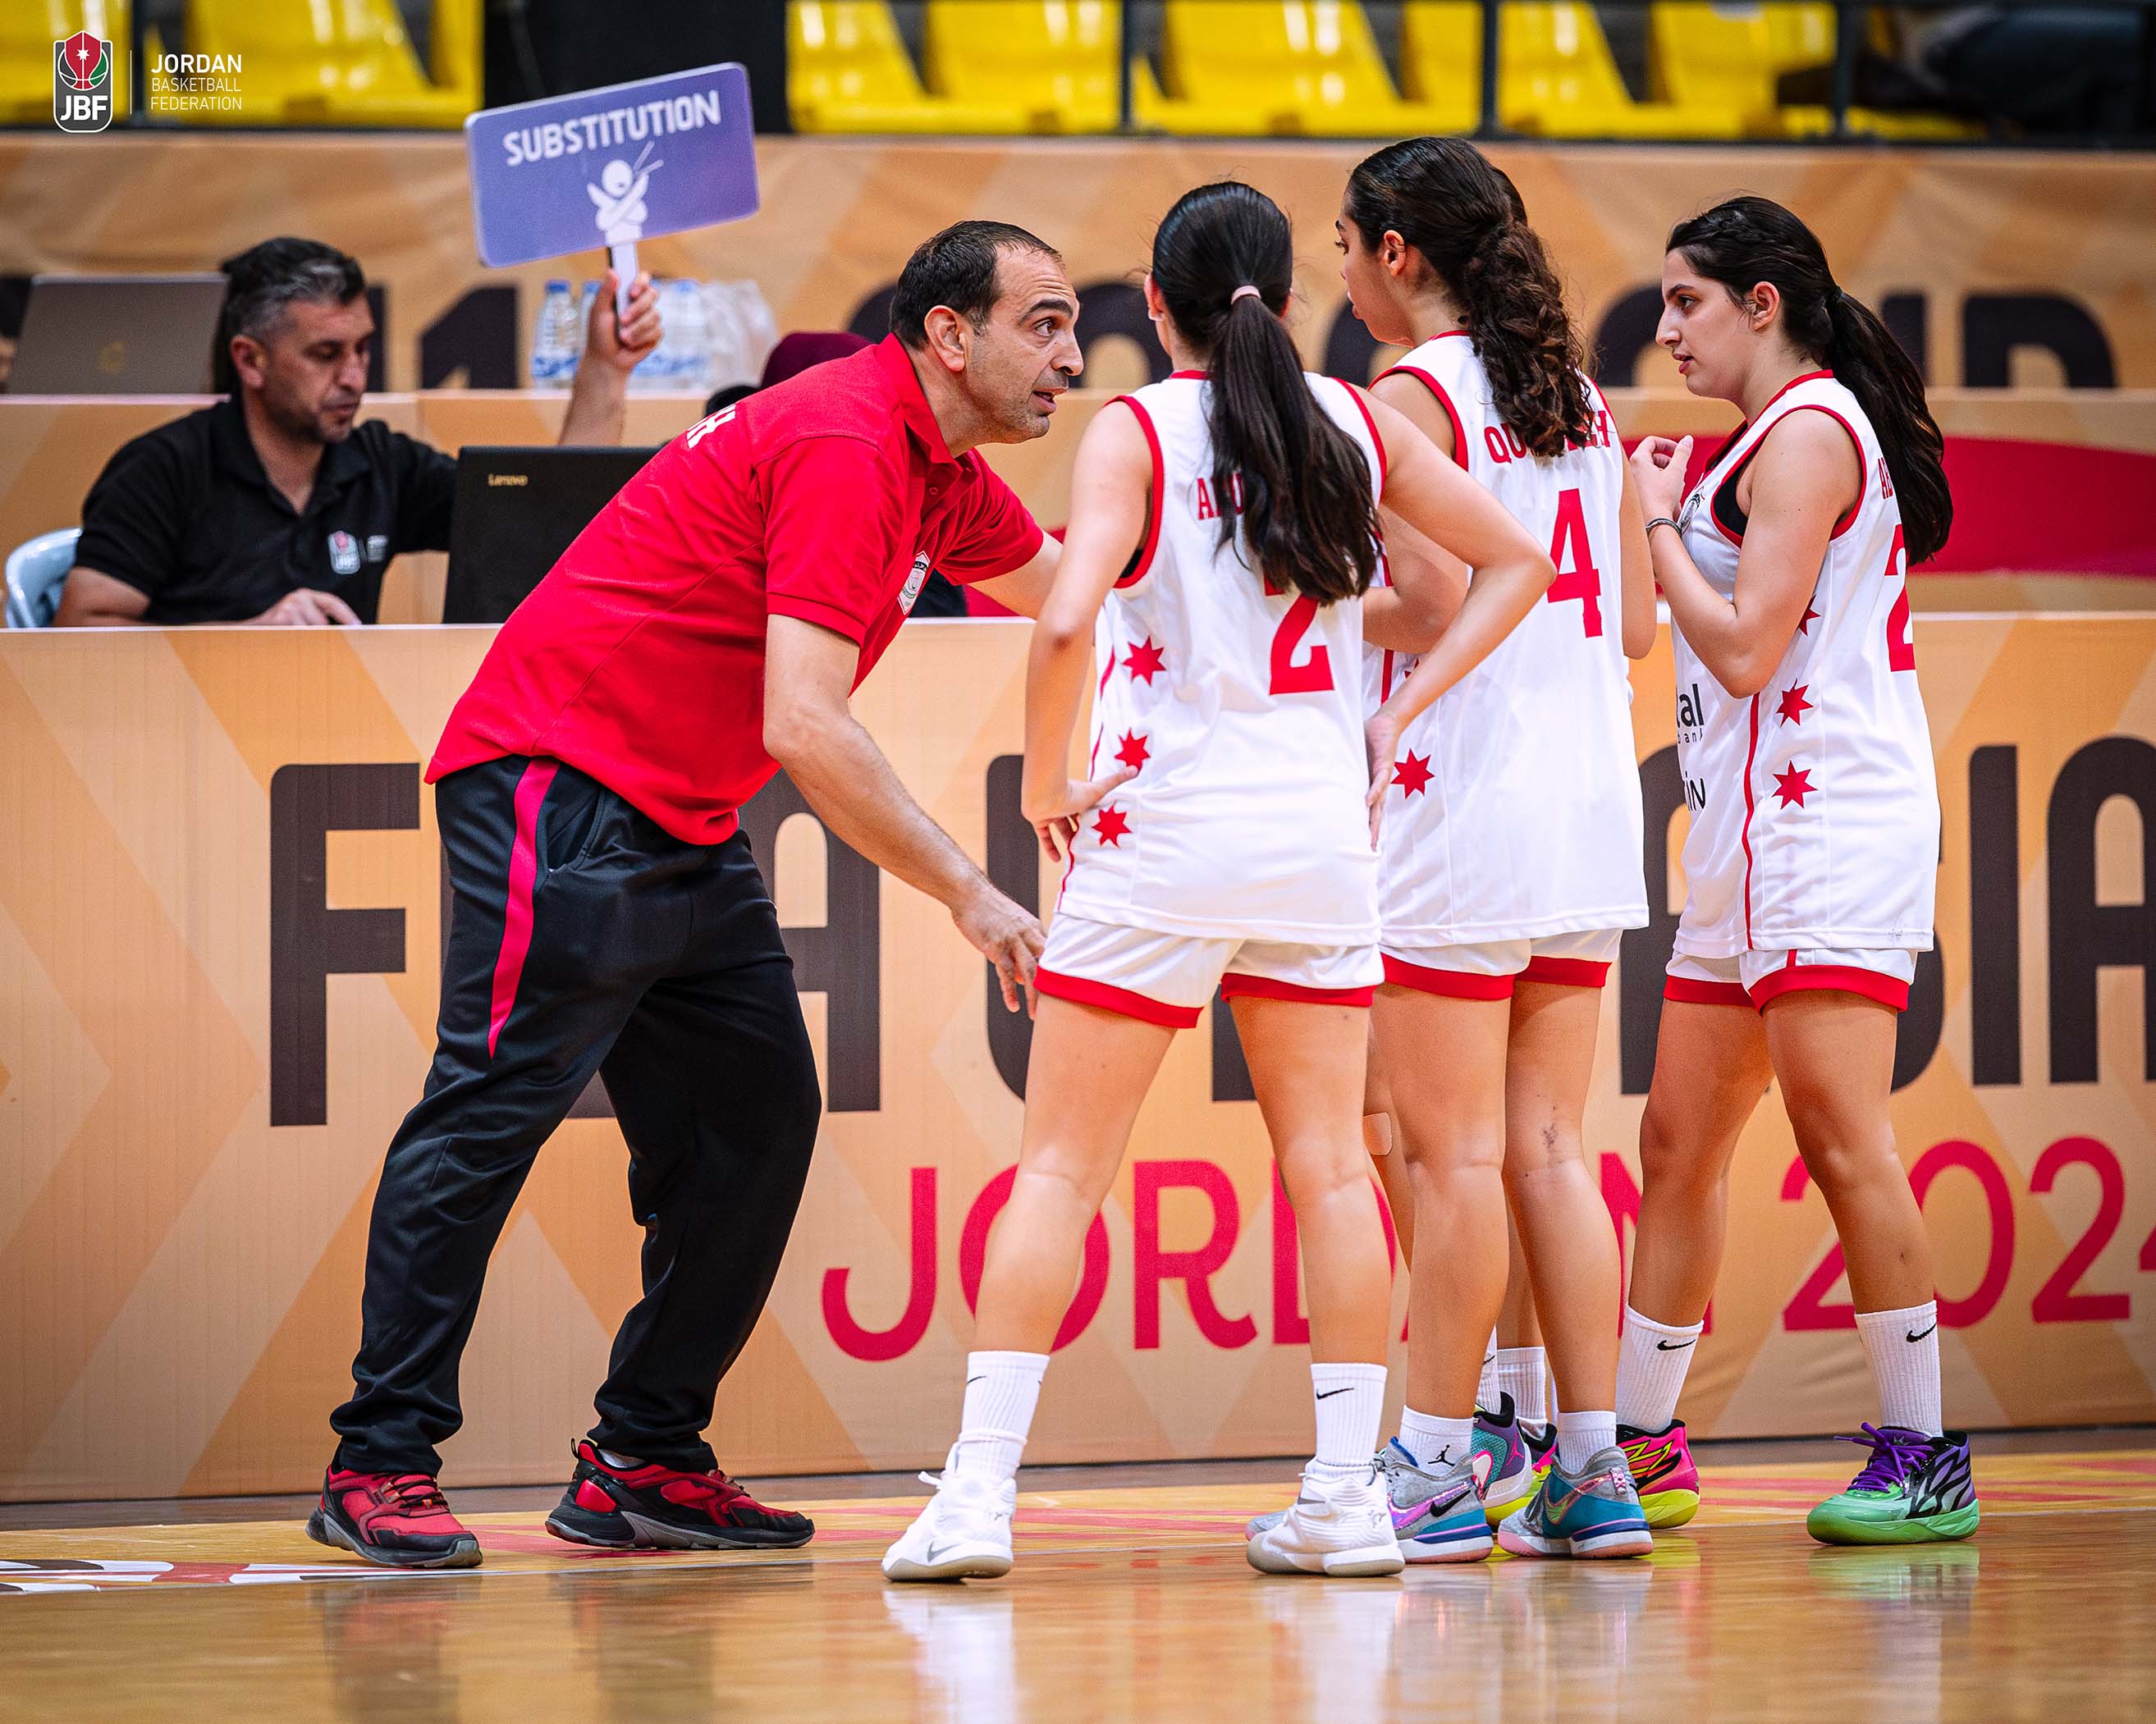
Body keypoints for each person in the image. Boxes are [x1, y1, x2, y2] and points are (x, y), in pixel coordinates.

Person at [310, 220, 1083, 1570]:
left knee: (755, 1117)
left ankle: (642, 1458)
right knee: (486, 1115)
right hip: (559, 779)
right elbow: (805, 722)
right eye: (1047, 324)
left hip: (681, 815)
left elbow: (1076, 598)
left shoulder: (939, 473)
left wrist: (1312, 595)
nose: (1071, 359)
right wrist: (968, 890)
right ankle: (375, 1462)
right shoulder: (848, 439)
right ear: (950, 335)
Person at [880, 181, 1556, 1585]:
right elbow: (1513, 562)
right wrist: (1395, 710)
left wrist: (1041, 781)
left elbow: (1063, 620)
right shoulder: (1353, 419)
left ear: (1153, 300)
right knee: (1332, 1170)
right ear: (1290, 301)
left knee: (1060, 1169)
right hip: (1315, 844)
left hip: (1163, 833)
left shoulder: (1134, 429)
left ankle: (978, 1498)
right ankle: (1345, 1499)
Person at [1259, 135, 1659, 1562]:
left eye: (1345, 242)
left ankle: (1431, 1466)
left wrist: (1289, 599)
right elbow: (1632, 624)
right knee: (1550, 1147)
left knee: (1452, 1159)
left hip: (1461, 790)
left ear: (1398, 252)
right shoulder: (1583, 400)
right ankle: (1592, 1472)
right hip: (1585, 796)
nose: (1338, 268)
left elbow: (1427, 598)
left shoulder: (1409, 393)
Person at [1622, 194, 1978, 1545]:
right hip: (1740, 834)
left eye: (1686, 301)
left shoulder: (1813, 431)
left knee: (1839, 1133)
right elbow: (1673, 644)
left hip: (1827, 822)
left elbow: (1744, 649)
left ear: (1760, 303)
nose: (1665, 329)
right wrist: (1653, 521)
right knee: (1674, 1143)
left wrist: (1657, 525)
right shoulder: (1758, 439)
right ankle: (1642, 1448)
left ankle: (1924, 1456)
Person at [55, 236, 661, 628]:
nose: (353, 376)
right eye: (325, 354)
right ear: (250, 361)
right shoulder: (162, 469)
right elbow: (81, 628)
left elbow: (552, 527)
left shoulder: (383, 463)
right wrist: (249, 635)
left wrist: (605, 369)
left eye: (363, 349)